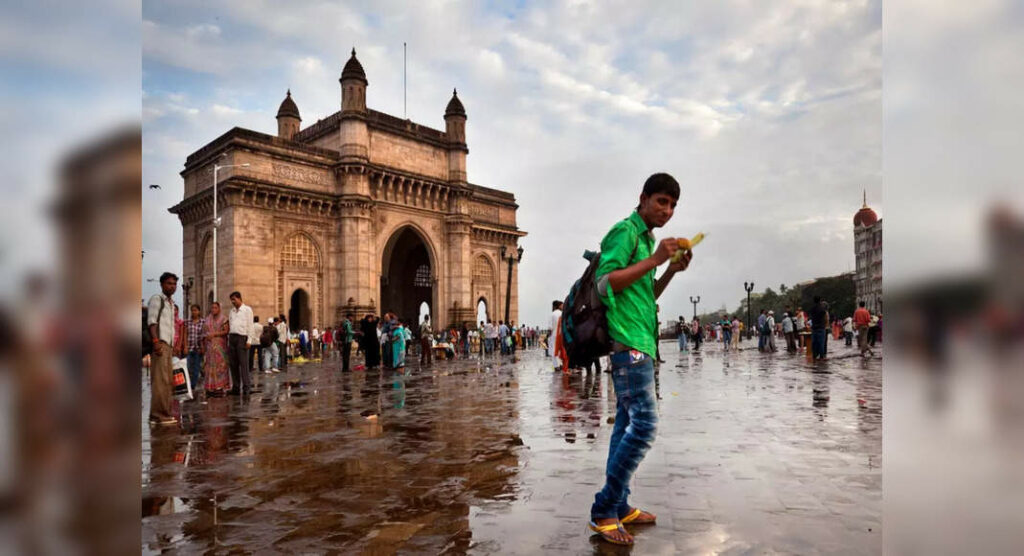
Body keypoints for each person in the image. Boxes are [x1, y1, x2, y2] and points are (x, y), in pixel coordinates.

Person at [587, 172, 691, 546]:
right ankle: (603, 510)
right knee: (645, 426)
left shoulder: (646, 241)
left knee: (626, 425)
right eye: (662, 201)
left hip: (641, 342)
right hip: (627, 344)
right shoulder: (625, 232)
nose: (668, 211)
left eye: (673, 205)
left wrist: (670, 270)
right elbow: (605, 283)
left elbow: (646, 294)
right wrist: (656, 259)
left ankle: (621, 505)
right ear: (644, 198)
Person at [147, 272, 178, 425]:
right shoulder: (156, 300)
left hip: (168, 345)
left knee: (167, 381)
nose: (172, 286)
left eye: (174, 284)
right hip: (160, 344)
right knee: (160, 380)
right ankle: (158, 415)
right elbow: (152, 322)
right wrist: (155, 341)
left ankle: (164, 413)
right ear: (162, 284)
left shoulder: (170, 303)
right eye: (169, 283)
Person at [226, 291, 253, 395]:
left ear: (239, 298)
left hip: (242, 338)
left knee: (243, 364)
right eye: (231, 300)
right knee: (233, 364)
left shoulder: (247, 310)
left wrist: (249, 340)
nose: (232, 302)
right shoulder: (232, 311)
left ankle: (246, 387)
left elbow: (250, 325)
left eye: (234, 299)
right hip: (232, 337)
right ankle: (236, 387)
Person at [203, 301, 231, 395]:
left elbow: (226, 331)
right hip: (210, 347)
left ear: (219, 309)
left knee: (221, 367)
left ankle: (220, 386)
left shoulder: (224, 319)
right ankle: (211, 387)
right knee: (210, 366)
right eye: (212, 308)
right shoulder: (207, 319)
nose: (213, 309)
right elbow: (204, 331)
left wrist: (215, 334)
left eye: (215, 308)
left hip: (220, 347)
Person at [184, 304, 205, 393]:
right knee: (188, 367)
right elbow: (185, 334)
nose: (194, 312)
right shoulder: (188, 322)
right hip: (189, 347)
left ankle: (192, 386)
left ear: (199, 311)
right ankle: (188, 384)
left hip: (198, 348)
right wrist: (185, 346)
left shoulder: (202, 322)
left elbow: (204, 335)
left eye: (196, 310)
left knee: (196, 368)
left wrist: (203, 347)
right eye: (192, 310)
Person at [809, 296, 828, 360]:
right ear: (820, 300)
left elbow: (811, 317)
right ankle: (821, 357)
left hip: (814, 328)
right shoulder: (822, 309)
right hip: (821, 328)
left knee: (814, 343)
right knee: (821, 343)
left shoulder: (812, 309)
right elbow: (825, 318)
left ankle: (814, 356)